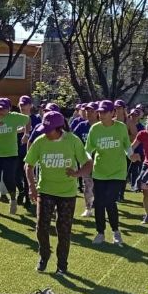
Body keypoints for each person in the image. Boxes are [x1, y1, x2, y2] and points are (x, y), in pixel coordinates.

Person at [25, 111, 92, 276]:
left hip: (67, 193)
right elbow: (29, 165)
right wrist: (32, 187)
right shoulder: (40, 142)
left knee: (64, 230)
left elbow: (88, 163)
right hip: (46, 190)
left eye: (49, 130)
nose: (46, 133)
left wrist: (76, 174)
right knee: (41, 227)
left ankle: (62, 264)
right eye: (44, 130)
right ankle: (44, 255)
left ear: (59, 128)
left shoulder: (72, 141)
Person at [86, 100, 131, 246]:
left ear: (113, 113)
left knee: (109, 201)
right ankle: (100, 233)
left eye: (105, 112)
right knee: (98, 203)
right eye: (99, 112)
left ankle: (116, 232)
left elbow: (126, 146)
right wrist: (83, 161)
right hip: (99, 172)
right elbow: (88, 150)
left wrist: (132, 155)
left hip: (117, 172)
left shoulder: (121, 127)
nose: (101, 114)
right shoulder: (95, 129)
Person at [0, 97, 31, 215]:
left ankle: (13, 200)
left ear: (9, 109)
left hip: (10, 153)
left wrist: (26, 134)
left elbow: (28, 120)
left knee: (8, 178)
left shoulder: (15, 117)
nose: (0, 112)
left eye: (3, 109)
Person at [16, 95, 41, 211]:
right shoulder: (15, 118)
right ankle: (21, 191)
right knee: (15, 176)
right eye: (21, 104)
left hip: (30, 152)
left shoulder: (36, 119)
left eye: (25, 104)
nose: (22, 106)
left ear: (30, 105)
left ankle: (26, 198)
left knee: (27, 176)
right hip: (15, 150)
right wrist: (20, 130)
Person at [73, 102, 98, 217]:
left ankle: (99, 207)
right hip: (86, 162)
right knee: (87, 185)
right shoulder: (82, 126)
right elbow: (73, 139)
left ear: (97, 112)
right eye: (87, 111)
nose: (88, 113)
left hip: (100, 162)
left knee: (99, 186)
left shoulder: (101, 126)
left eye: (91, 111)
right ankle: (88, 208)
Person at [127, 108, 145, 192]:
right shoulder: (126, 126)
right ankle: (133, 185)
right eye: (132, 115)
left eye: (136, 115)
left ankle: (137, 185)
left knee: (139, 169)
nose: (134, 117)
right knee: (131, 169)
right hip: (129, 150)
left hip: (139, 150)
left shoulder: (141, 127)